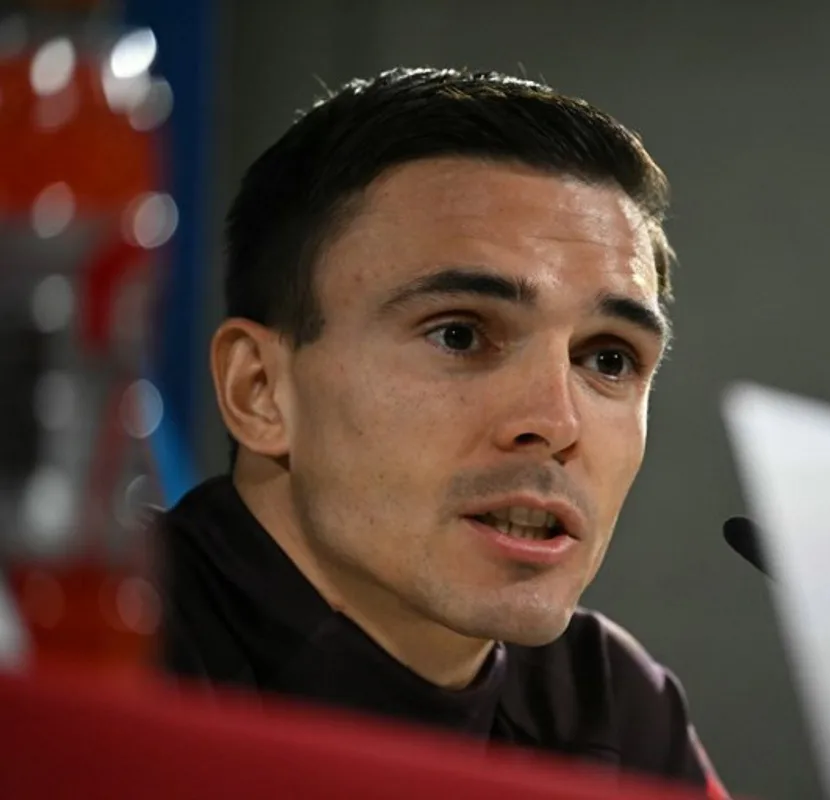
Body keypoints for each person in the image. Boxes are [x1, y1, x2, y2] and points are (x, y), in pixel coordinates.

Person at [158, 66, 727, 796]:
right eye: (460, 335)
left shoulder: (610, 703)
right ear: (261, 390)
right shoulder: (81, 648)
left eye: (608, 359)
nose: (555, 423)